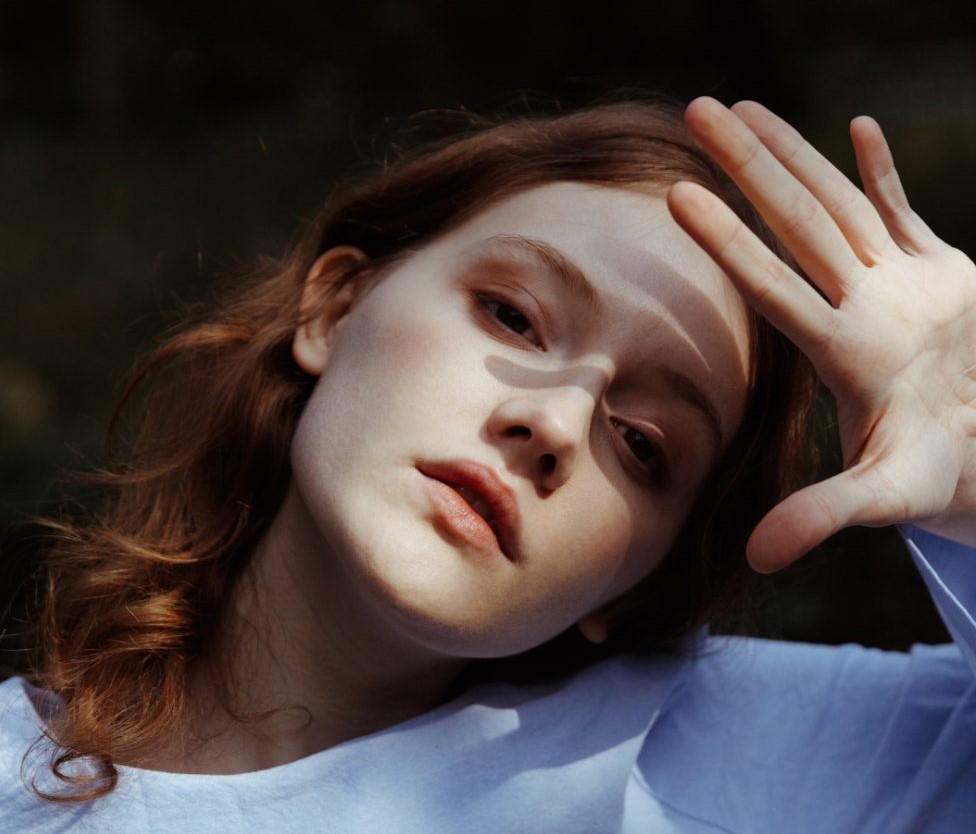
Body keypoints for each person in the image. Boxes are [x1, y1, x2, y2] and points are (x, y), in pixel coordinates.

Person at [1, 95, 974, 832]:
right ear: (335, 309)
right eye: (512, 316)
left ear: (638, 585)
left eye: (643, 445)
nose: (554, 423)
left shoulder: (710, 765)